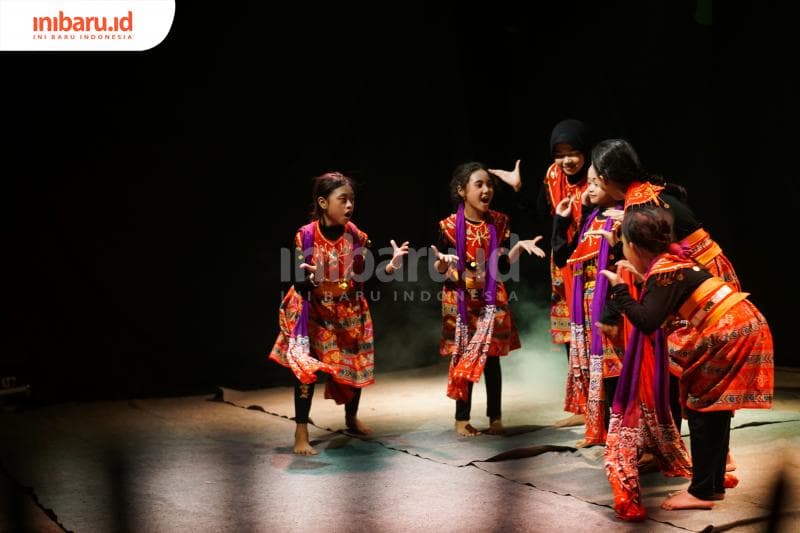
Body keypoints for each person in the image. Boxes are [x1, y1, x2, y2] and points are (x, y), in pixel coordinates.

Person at [599, 206, 773, 518]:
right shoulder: (673, 263)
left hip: (727, 331)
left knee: (700, 408)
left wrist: (620, 290)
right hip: (742, 323)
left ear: (635, 247)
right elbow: (664, 297)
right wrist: (640, 280)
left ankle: (702, 491)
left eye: (623, 244)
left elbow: (647, 321)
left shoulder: (665, 272)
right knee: (711, 408)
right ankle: (713, 483)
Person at [592, 138, 741, 470]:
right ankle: (713, 453)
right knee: (696, 369)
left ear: (604, 178)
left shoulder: (638, 207)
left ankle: (682, 452)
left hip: (695, 287)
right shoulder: (654, 192)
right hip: (708, 277)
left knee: (680, 367)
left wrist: (613, 310)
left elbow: (643, 267)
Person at [269, 171, 409, 455]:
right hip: (313, 312)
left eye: (352, 200)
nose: (349, 206)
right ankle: (301, 432)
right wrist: (312, 279)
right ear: (323, 202)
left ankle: (351, 418)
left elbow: (366, 277)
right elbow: (297, 281)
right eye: (342, 200)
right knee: (304, 371)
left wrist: (391, 267)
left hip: (348, 311)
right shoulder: (305, 236)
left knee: (355, 366)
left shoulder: (356, 236)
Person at [490, 119, 591, 428]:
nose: (566, 160)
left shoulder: (598, 177)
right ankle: (584, 406)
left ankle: (608, 407)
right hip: (563, 265)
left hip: (594, 264)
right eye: (559, 154)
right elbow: (537, 216)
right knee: (570, 337)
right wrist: (519, 190)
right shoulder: (552, 176)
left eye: (573, 152)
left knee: (596, 334)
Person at [431, 161, 545, 436]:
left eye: (489, 185)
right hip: (460, 301)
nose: (486, 190)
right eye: (478, 184)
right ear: (462, 191)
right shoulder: (447, 226)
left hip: (492, 300)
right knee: (463, 357)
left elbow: (502, 267)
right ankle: (462, 419)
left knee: (492, 360)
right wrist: (444, 264)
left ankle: (495, 418)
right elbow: (440, 269)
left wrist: (516, 248)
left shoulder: (500, 221)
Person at [551, 167, 624, 447]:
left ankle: (619, 434)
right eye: (589, 183)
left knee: (615, 371)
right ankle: (600, 430)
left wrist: (613, 309)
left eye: (597, 183)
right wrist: (561, 221)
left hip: (611, 303)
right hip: (586, 306)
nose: (589, 189)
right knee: (598, 372)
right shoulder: (591, 218)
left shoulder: (621, 216)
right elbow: (563, 259)